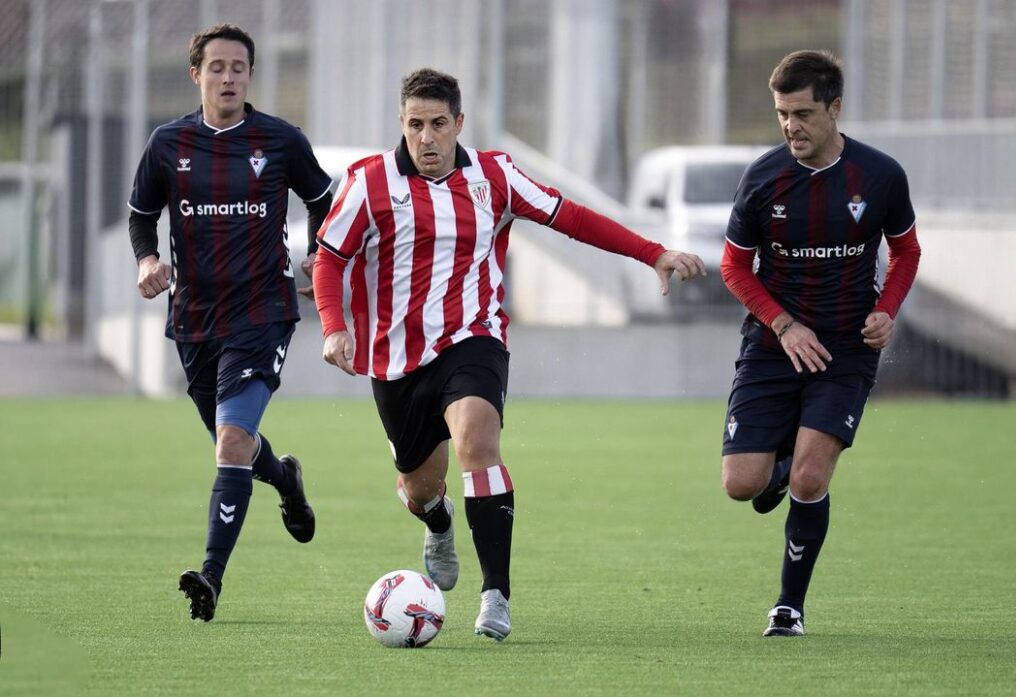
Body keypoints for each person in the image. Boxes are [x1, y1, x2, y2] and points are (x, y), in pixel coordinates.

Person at [312, 68, 706, 641]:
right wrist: (334, 326)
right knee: (421, 489)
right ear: (401, 123)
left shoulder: (494, 175)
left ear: (459, 125)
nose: (427, 138)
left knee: (477, 438)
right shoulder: (368, 183)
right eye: (416, 125)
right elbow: (329, 259)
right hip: (395, 359)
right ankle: (438, 521)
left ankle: (495, 594)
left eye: (439, 125)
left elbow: (571, 217)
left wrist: (652, 254)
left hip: (475, 338)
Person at [127, 23, 333, 622]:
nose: (227, 76)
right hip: (193, 319)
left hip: (262, 312)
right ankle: (287, 481)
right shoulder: (168, 144)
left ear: (249, 75)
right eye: (216, 67)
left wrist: (318, 250)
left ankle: (211, 578)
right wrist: (146, 260)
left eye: (238, 67)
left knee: (231, 440)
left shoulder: (280, 139)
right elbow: (142, 214)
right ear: (196, 75)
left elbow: (324, 202)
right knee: (233, 445)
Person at [719, 50, 922, 637]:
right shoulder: (762, 177)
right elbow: (735, 267)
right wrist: (783, 325)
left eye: (803, 113)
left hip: (847, 347)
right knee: (741, 485)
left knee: (811, 479)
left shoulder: (880, 176)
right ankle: (777, 463)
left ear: (835, 108)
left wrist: (887, 310)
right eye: (782, 114)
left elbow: (906, 252)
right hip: (772, 343)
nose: (791, 127)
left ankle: (788, 607)